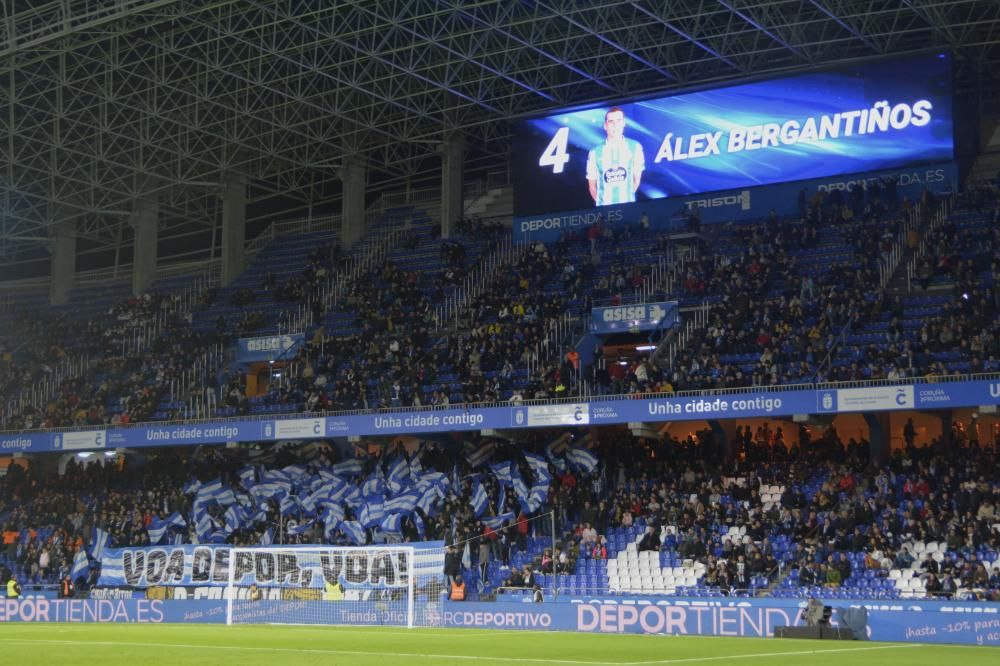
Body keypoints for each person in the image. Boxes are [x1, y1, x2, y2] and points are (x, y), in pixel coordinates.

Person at [586, 107, 645, 206]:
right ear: (605, 125)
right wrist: (603, 206)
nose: (615, 125)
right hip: (604, 211)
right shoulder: (594, 152)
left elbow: (636, 180)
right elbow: (592, 187)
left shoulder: (635, 147)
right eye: (611, 122)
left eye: (619, 121)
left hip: (629, 208)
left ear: (624, 123)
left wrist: (626, 201)